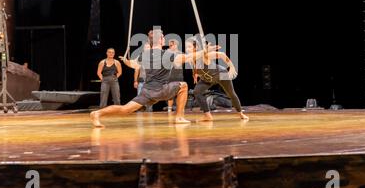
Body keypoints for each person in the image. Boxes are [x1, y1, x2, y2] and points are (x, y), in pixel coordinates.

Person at [90, 29, 219, 128]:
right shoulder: (168, 54)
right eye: (163, 37)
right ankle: (179, 117)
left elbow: (133, 65)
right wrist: (204, 51)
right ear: (161, 40)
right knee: (184, 85)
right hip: (161, 90)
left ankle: (97, 114)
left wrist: (126, 61)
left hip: (147, 92)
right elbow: (189, 58)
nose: (164, 38)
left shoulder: (144, 54)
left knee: (125, 109)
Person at [185, 38, 249, 121]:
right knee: (197, 92)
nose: (187, 49)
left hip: (220, 74)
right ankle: (207, 115)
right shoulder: (190, 58)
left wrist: (232, 66)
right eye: (186, 47)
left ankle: (241, 113)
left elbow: (222, 54)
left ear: (196, 47)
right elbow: (195, 66)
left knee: (231, 94)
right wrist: (195, 74)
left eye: (189, 47)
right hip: (207, 79)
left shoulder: (205, 55)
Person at [166, 39, 184, 112]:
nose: (169, 47)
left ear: (176, 45)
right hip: (170, 76)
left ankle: (181, 108)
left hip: (179, 75)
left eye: (171, 45)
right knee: (170, 93)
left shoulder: (181, 53)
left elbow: (179, 64)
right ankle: (169, 109)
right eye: (169, 45)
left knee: (180, 92)